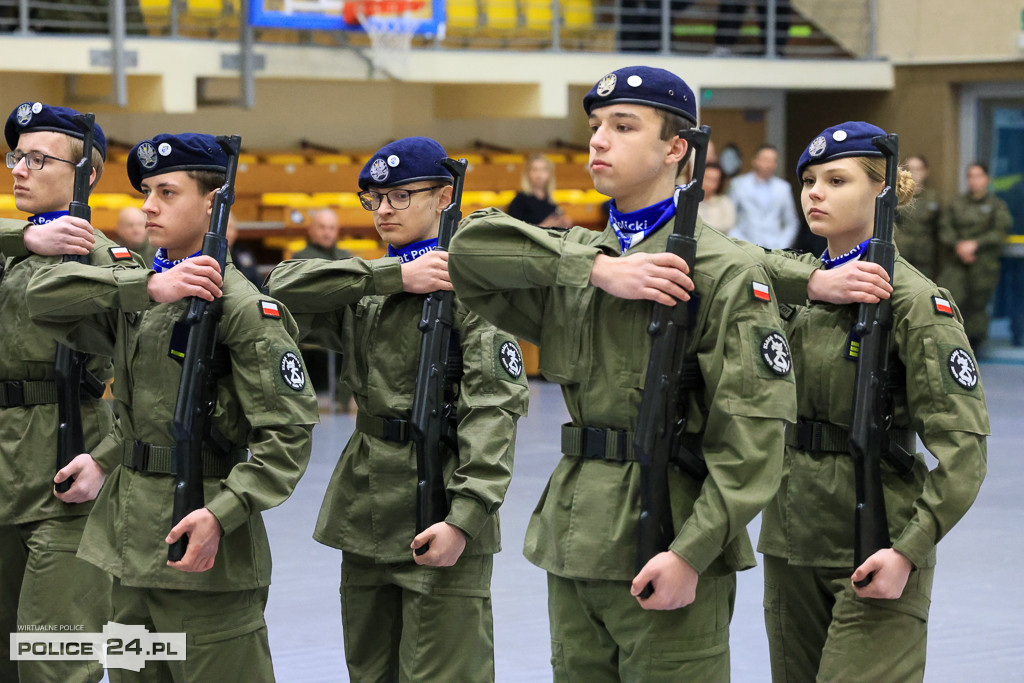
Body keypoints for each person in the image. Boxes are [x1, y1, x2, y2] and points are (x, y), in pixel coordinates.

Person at [448, 65, 799, 681]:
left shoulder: (722, 269)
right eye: (594, 126)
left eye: (623, 125)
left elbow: (753, 438)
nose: (598, 141)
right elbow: (468, 250)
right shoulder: (578, 260)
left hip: (667, 531)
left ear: (676, 149)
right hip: (578, 535)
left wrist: (691, 553)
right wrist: (596, 267)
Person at [26, 132, 320, 681]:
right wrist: (148, 288)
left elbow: (288, 437)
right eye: (146, 192)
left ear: (213, 203)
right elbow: (42, 302)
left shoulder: (244, 309)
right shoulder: (141, 291)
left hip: (204, 554)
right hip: (127, 548)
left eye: (167, 192)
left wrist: (222, 514)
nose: (147, 206)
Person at [267, 137, 528, 681]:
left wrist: (466, 516)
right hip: (363, 507)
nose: (384, 209)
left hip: (440, 493)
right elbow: (280, 288)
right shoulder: (369, 283)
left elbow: (493, 409)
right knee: (369, 670)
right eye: (374, 198)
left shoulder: (475, 288)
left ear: (444, 196)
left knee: (444, 672)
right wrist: (391, 277)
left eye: (401, 196)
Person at [758, 121, 988, 682]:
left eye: (836, 180)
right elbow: (730, 265)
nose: (815, 192)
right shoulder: (798, 287)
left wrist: (910, 549)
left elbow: (963, 451)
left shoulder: (913, 302)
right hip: (791, 539)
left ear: (882, 193)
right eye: (809, 180)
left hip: (877, 538)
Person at [0, 102, 145, 683]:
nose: (19, 169)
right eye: (16, 155)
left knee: (53, 663)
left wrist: (106, 460)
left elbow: (152, 391)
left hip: (65, 482)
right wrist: (27, 238)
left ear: (85, 175)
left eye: (38, 158)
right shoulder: (10, 253)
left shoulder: (112, 265)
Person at [937, 162, 1012, 349]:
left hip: (983, 263)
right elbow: (944, 229)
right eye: (970, 176)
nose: (974, 180)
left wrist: (975, 244)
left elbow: (1000, 233)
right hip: (956, 261)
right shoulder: (956, 203)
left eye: (978, 176)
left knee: (978, 305)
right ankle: (952, 344)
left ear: (986, 178)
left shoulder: (996, 205)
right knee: (949, 300)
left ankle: (976, 346)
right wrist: (959, 246)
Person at [729, 143, 799, 249]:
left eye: (773, 160)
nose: (769, 164)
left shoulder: (783, 188)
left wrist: (781, 245)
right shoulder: (738, 184)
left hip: (775, 248)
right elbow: (729, 219)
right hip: (745, 246)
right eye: (765, 159)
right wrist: (741, 243)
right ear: (754, 161)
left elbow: (791, 222)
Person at [895, 154, 941, 278]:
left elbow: (938, 227)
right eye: (910, 169)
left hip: (923, 256)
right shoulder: (896, 196)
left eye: (918, 169)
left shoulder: (933, 198)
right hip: (900, 253)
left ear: (925, 171)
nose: (914, 173)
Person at [506, 153, 571, 228]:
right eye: (535, 170)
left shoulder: (550, 202)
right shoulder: (519, 201)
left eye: (543, 170)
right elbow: (513, 231)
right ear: (528, 173)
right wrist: (545, 226)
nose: (539, 174)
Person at [697, 160, 737, 233]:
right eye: (707, 178)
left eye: (714, 180)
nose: (709, 184)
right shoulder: (689, 199)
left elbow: (728, 225)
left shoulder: (725, 202)